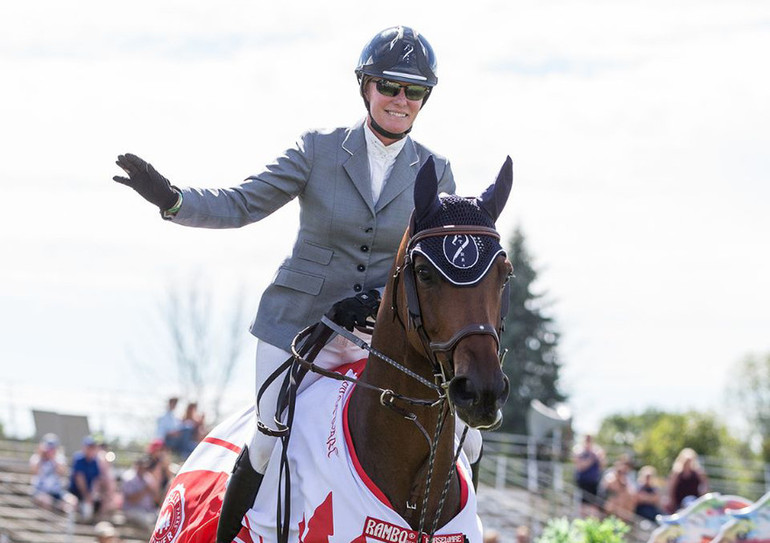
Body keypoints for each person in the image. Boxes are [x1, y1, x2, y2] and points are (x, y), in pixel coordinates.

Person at [113, 26, 457, 543]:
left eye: (413, 91)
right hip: (296, 325)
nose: (400, 100)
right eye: (389, 85)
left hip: (378, 338)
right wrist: (172, 199)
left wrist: (386, 301)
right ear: (365, 86)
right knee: (269, 438)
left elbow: (435, 273)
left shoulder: (436, 171)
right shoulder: (318, 150)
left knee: (452, 440)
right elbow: (243, 203)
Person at [29, 433, 76, 513]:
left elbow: (61, 471)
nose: (50, 450)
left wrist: (53, 458)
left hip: (57, 492)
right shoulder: (36, 458)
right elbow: (34, 471)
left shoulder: (59, 458)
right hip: (40, 491)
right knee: (46, 501)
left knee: (72, 501)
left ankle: (64, 522)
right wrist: (41, 455)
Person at [120, 455, 161, 528]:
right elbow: (131, 500)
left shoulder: (148, 477)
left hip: (148, 510)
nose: (144, 468)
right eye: (141, 465)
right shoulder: (129, 478)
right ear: (137, 465)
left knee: (163, 517)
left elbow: (156, 499)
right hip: (132, 510)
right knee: (147, 521)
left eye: (145, 466)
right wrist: (145, 490)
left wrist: (153, 490)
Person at [68, 435, 102, 520]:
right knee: (75, 503)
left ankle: (93, 521)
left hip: (88, 493)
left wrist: (93, 493)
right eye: (89, 447)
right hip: (75, 492)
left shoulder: (95, 461)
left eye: (92, 447)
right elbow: (79, 479)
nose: (91, 449)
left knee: (100, 501)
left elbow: (96, 480)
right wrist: (87, 496)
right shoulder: (79, 459)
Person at [667, 447, 709, 513]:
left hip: (694, 501)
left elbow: (705, 485)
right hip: (680, 503)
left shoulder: (697, 473)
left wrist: (703, 495)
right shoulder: (677, 474)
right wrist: (672, 502)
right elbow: (671, 488)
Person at [572, 434, 605, 514]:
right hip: (583, 482)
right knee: (583, 504)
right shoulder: (579, 450)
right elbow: (580, 466)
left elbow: (602, 465)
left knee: (594, 504)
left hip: (594, 482)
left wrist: (599, 457)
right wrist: (591, 458)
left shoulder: (597, 450)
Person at [601, 457, 637, 522]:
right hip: (607, 499)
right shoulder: (610, 474)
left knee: (627, 498)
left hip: (622, 504)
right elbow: (611, 486)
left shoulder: (627, 477)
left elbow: (632, 492)